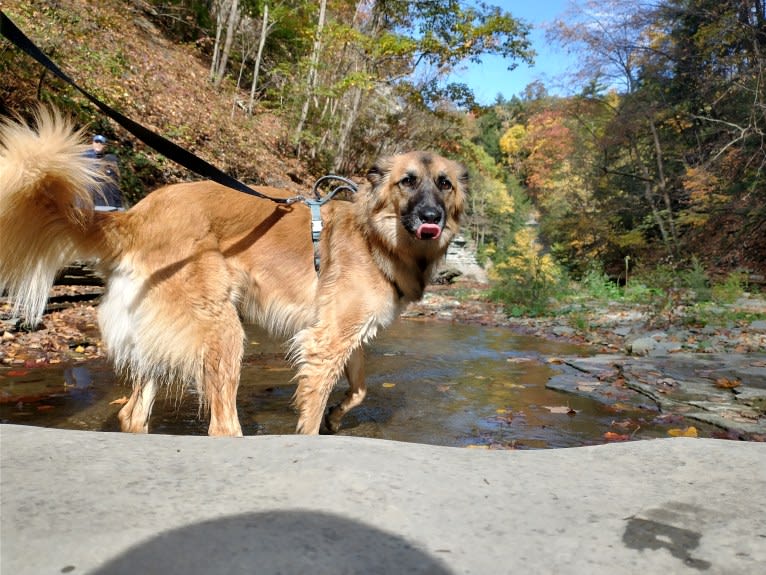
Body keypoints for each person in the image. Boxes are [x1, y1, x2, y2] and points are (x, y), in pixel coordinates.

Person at [84, 134, 123, 211]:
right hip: (89, 207)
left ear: (105, 146)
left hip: (108, 206)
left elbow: (114, 186)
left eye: (101, 143)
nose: (98, 144)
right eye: (96, 142)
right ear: (92, 143)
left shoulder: (110, 161)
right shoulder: (84, 160)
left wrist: (119, 207)